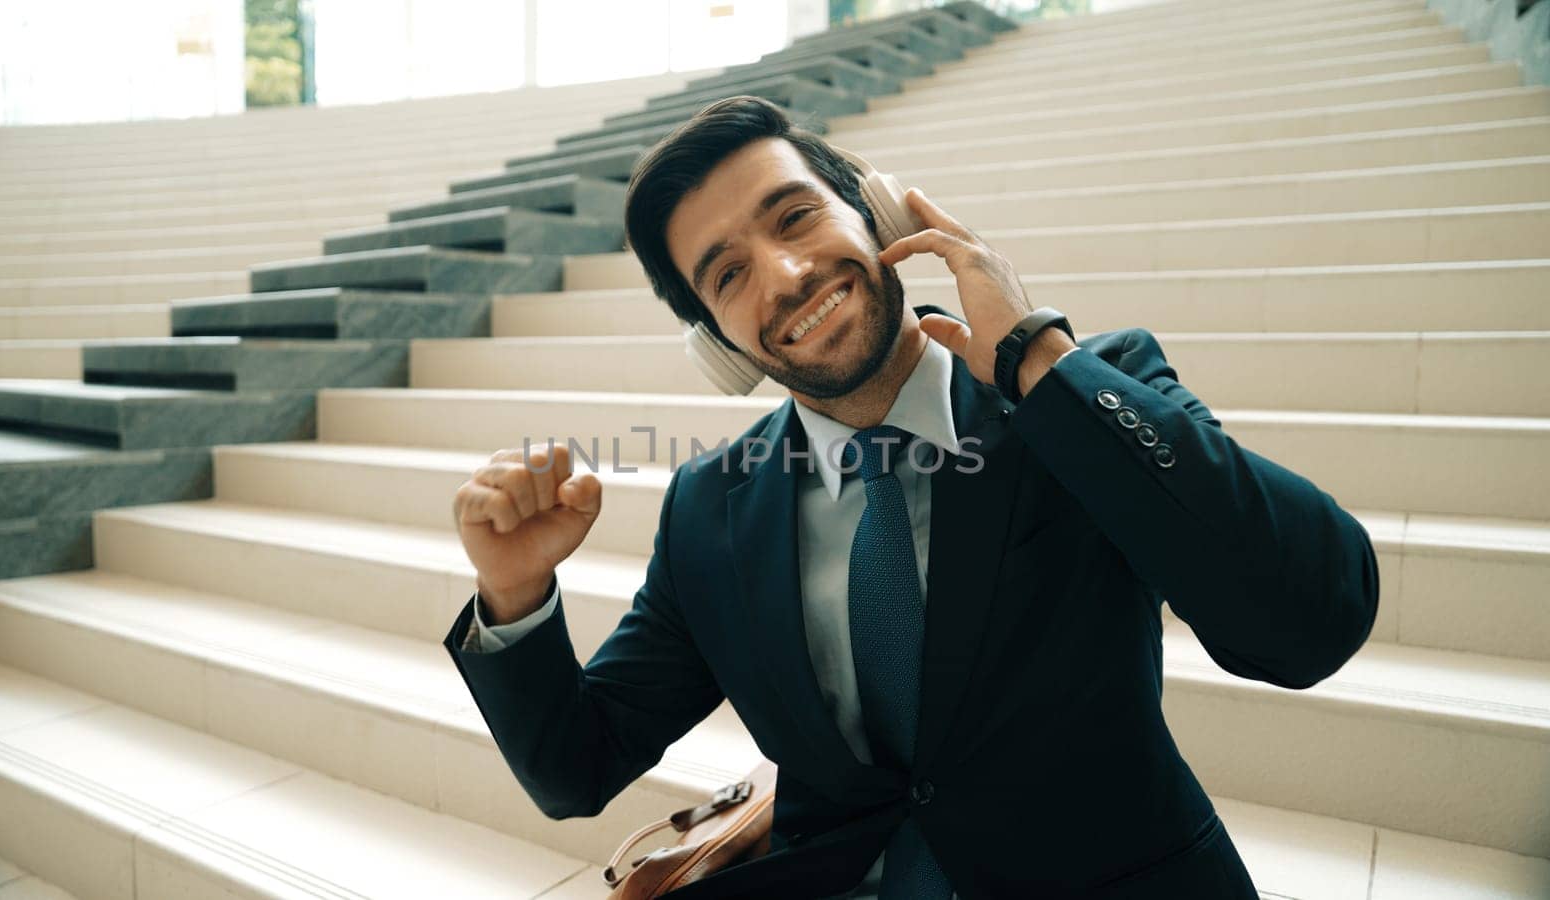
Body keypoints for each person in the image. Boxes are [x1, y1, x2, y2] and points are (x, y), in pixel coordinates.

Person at [442, 96, 1379, 899]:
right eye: (727, 275)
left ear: (876, 217)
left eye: (796, 217)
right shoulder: (710, 506)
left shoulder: (1087, 395)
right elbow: (577, 769)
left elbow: (1309, 621)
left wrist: (1041, 366)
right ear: (716, 343)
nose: (787, 274)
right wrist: (514, 594)